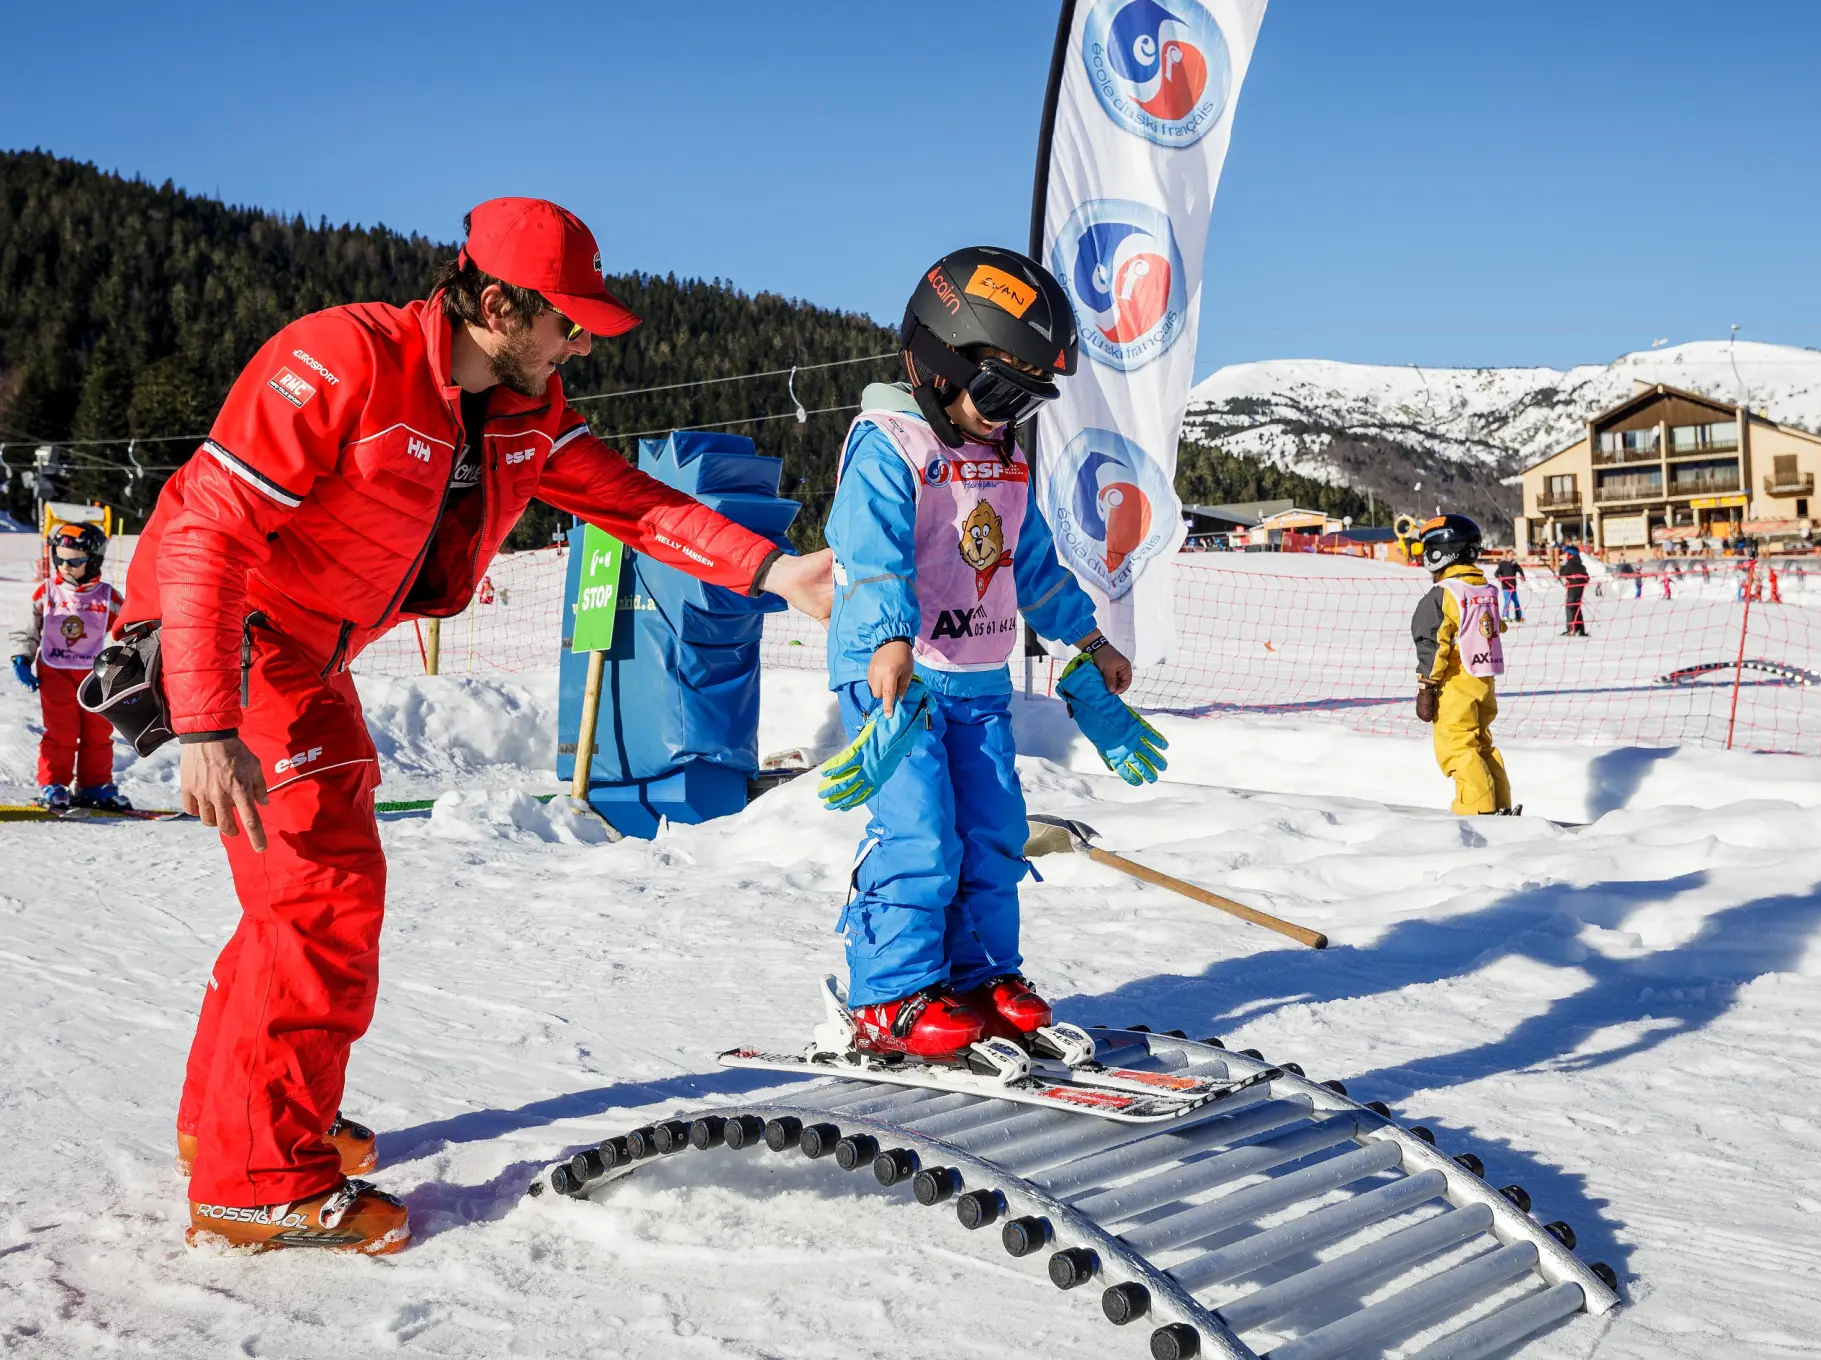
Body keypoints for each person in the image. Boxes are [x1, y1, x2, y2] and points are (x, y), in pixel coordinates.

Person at [124, 197, 834, 1255]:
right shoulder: (339, 360)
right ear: (497, 304)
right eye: (566, 321)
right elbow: (210, 531)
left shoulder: (519, 413)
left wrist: (779, 571)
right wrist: (205, 718)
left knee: (297, 890)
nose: (579, 342)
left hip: (310, 653)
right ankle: (256, 1178)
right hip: (231, 634)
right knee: (322, 890)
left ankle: (228, 1123)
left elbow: (639, 506)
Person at [816, 246, 1163, 1058]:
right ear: (937, 360)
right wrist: (887, 643)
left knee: (994, 831)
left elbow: (1030, 560)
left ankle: (976, 974)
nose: (1008, 414)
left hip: (974, 680)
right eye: (999, 390)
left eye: (1028, 400)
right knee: (922, 833)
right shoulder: (889, 444)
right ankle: (891, 993)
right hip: (898, 680)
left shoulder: (1001, 455)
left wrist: (1088, 637)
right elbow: (870, 554)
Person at [10, 521, 130, 811]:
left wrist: (130, 660)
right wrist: (21, 657)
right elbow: (25, 629)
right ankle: (54, 783)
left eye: (74, 560)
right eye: (60, 559)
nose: (65, 566)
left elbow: (128, 629)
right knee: (60, 732)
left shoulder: (107, 596)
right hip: (55, 673)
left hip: (97, 677)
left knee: (97, 732)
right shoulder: (46, 592)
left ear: (93, 561)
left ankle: (94, 785)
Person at [1410, 515, 1512, 816]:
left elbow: (1432, 643)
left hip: (1454, 681)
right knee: (1480, 743)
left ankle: (1478, 810)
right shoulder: (1483, 589)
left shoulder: (1444, 594)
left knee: (1457, 746)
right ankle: (1500, 802)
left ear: (1440, 551)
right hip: (1483, 679)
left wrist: (1426, 686)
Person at [1559, 544, 1591, 636]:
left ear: (1570, 554)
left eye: (1567, 554)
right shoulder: (1580, 564)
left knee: (1570, 607)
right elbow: (1586, 578)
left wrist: (1563, 565)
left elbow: (1562, 573)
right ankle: (1580, 629)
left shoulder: (1570, 563)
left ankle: (1571, 629)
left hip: (1573, 590)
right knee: (1577, 608)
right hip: (1579, 590)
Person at [1492, 552, 1525, 622]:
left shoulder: (1514, 563)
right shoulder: (1502, 564)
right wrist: (1499, 577)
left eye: (1513, 555)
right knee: (1507, 602)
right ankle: (1505, 616)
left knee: (1516, 602)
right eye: (1510, 555)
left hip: (1513, 587)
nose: (1512, 556)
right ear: (1507, 555)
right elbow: (1496, 573)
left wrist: (1522, 576)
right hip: (1506, 586)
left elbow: (1520, 569)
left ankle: (1519, 617)